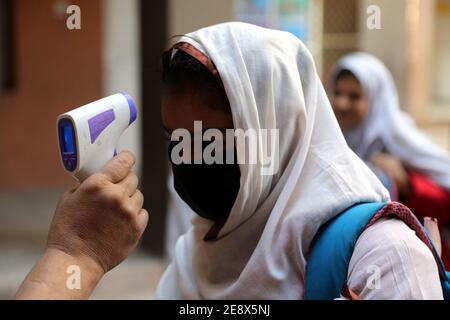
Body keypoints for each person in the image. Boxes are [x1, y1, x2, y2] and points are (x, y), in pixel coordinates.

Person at [17, 23, 444, 299]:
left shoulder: (383, 259)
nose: (189, 159)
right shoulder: (196, 254)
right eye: (175, 139)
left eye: (210, 141)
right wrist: (75, 256)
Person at [330, 52, 450, 268]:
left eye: (354, 96)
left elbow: (445, 199)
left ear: (376, 98)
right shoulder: (333, 138)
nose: (341, 103)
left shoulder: (399, 139)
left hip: (420, 263)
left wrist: (406, 183)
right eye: (337, 92)